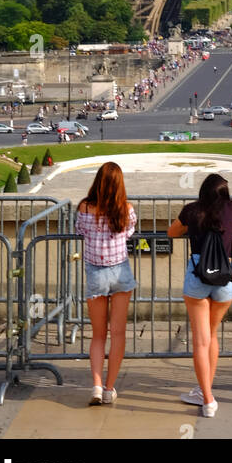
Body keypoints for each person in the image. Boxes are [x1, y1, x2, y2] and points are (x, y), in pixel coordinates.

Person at [167, 173, 232, 416]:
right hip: (224, 274)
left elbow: (172, 233)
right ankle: (206, 391)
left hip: (198, 275)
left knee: (200, 340)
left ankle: (207, 398)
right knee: (212, 336)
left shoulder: (192, 210)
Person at [75, 162, 137, 407]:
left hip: (96, 274)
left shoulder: (85, 207)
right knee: (118, 334)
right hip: (120, 272)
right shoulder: (126, 209)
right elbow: (129, 231)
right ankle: (110, 388)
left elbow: (80, 230)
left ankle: (97, 386)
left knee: (98, 335)